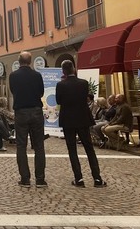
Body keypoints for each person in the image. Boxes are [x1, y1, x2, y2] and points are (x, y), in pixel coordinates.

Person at [56, 60, 107, 188]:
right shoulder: (83, 83)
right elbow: (85, 98)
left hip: (68, 120)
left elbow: (59, 100)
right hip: (82, 118)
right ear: (73, 69)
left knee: (72, 149)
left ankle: (78, 179)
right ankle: (97, 178)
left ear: (63, 71)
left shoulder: (61, 85)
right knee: (89, 148)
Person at [9, 50, 46, 188]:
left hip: (21, 112)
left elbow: (13, 90)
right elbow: (41, 92)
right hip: (36, 111)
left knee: (21, 146)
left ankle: (25, 178)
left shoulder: (13, 76)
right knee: (39, 146)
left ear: (19, 61)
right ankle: (40, 179)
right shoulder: (37, 75)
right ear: (30, 61)